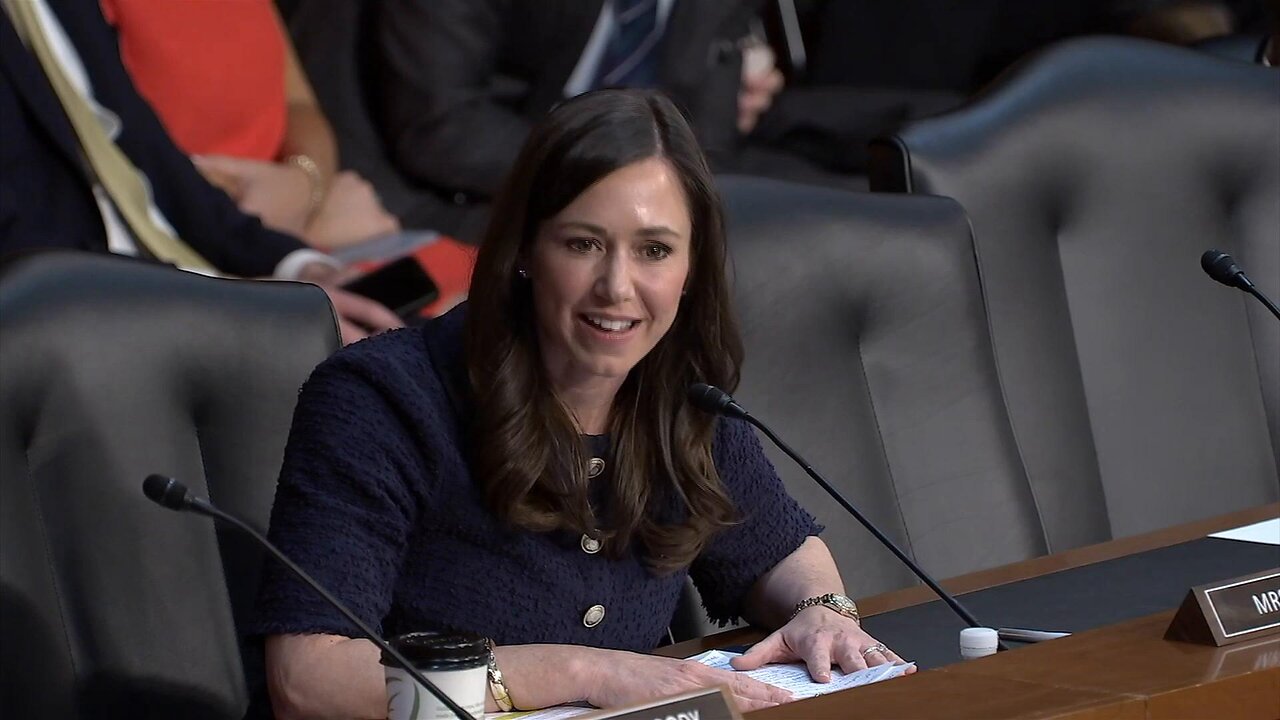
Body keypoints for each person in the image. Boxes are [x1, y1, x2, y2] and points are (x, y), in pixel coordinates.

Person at [252, 89, 909, 718]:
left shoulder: (677, 396)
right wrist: (584, 672)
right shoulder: (383, 400)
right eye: (583, 244)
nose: (617, 286)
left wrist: (822, 610)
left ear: (691, 269)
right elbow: (308, 679)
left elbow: (779, 547)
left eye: (654, 250)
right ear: (525, 249)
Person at [0, 0, 400, 345]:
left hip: (194, 285)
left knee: (401, 336)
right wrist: (220, 302)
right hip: (97, 328)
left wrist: (295, 262)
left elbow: (150, 154)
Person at [99, 0, 402, 252]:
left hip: (301, 221)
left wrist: (306, 184)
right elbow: (118, 165)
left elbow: (297, 104)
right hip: (212, 256)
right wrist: (293, 230)